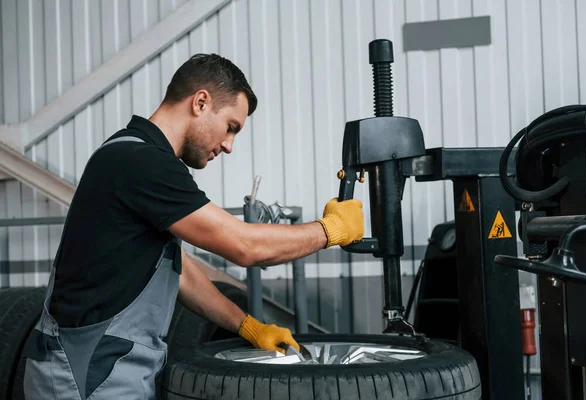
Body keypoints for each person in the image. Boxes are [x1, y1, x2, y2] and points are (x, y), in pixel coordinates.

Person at [21, 53, 364, 399]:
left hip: (104, 368)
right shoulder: (139, 162)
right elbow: (245, 246)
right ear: (201, 102)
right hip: (85, 373)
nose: (229, 146)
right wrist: (330, 230)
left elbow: (178, 272)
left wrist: (247, 326)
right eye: (231, 127)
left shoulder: (138, 158)